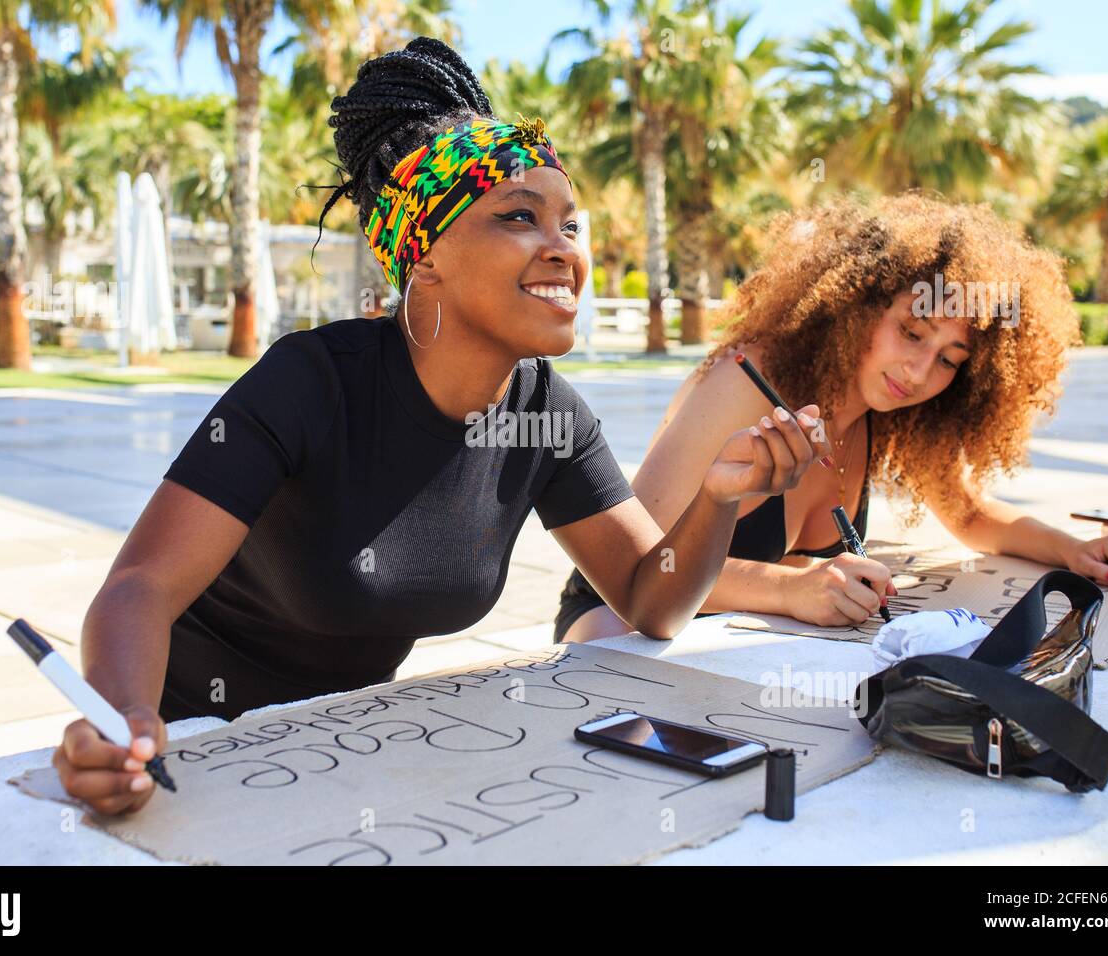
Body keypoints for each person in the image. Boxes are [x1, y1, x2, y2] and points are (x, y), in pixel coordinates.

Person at [52, 37, 832, 816]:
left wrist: (719, 498)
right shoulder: (312, 383)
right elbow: (139, 587)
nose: (563, 250)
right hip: (189, 751)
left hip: (343, 756)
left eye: (569, 225)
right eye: (520, 217)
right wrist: (122, 719)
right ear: (424, 256)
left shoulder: (545, 415)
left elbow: (647, 600)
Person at [555, 193, 1108, 644]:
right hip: (618, 629)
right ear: (855, 304)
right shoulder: (750, 381)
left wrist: (1073, 552)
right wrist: (791, 588)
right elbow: (647, 562)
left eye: (949, 359)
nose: (918, 371)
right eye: (911, 332)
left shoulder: (879, 408)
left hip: (737, 648)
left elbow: (968, 513)